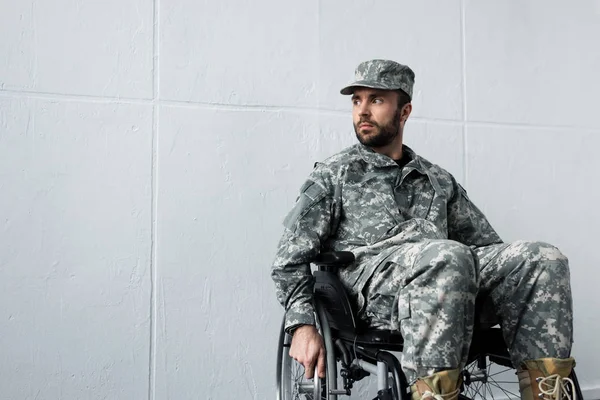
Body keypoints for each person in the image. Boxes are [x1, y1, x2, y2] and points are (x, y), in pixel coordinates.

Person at [271, 59, 575, 400]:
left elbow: (488, 249)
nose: (363, 111)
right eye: (357, 100)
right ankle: (435, 394)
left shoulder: (437, 180)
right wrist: (302, 323)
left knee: (540, 258)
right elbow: (289, 259)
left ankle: (546, 391)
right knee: (445, 254)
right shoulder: (334, 175)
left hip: (445, 283)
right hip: (369, 297)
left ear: (404, 112)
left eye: (376, 100)